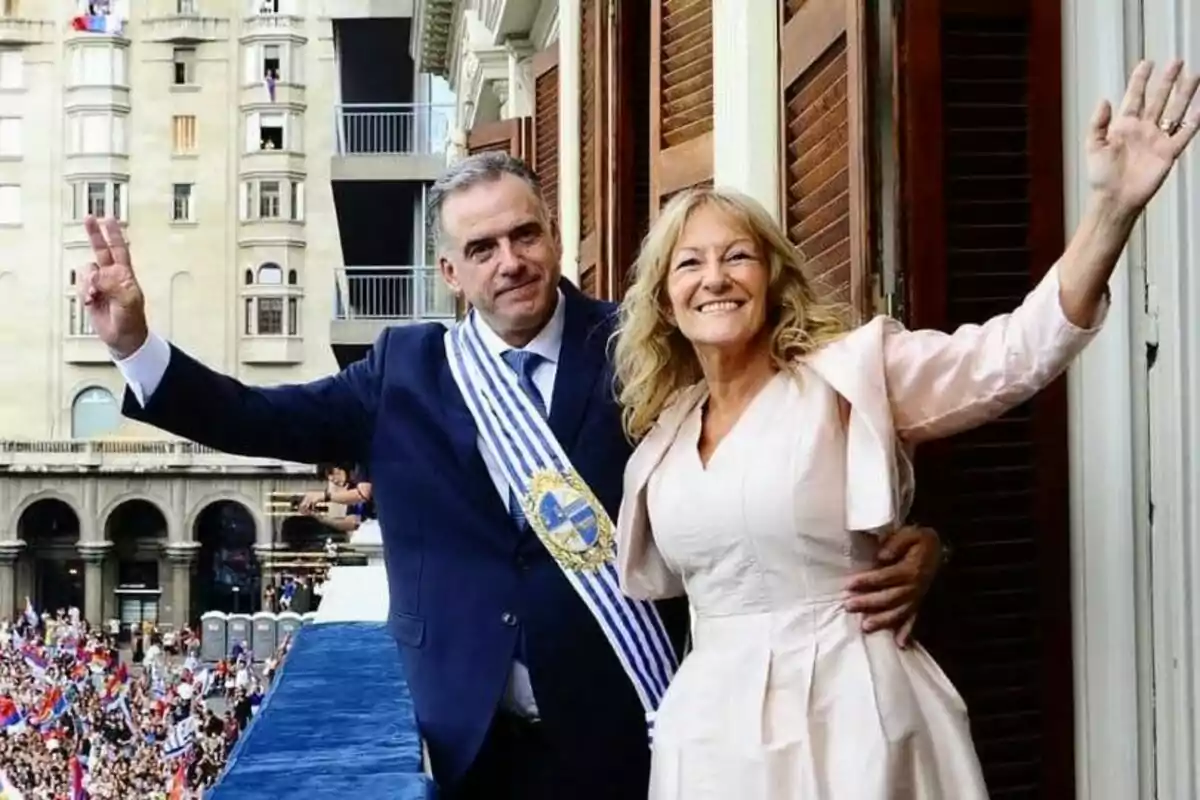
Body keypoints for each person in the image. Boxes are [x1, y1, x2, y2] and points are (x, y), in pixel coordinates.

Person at [78, 151, 945, 798]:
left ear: (554, 235)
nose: (511, 261)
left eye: (525, 234)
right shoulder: (403, 370)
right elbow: (253, 416)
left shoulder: (646, 348)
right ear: (450, 273)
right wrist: (132, 345)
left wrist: (918, 539)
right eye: (482, 247)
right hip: (474, 737)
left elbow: (804, 431)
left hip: (636, 724)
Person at [611, 60, 1199, 799]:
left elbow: (1013, 354)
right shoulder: (662, 436)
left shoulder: (854, 374)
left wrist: (1111, 211)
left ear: (773, 279)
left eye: (738, 256)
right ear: (665, 301)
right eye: (689, 263)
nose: (715, 277)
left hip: (855, 717)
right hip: (713, 739)